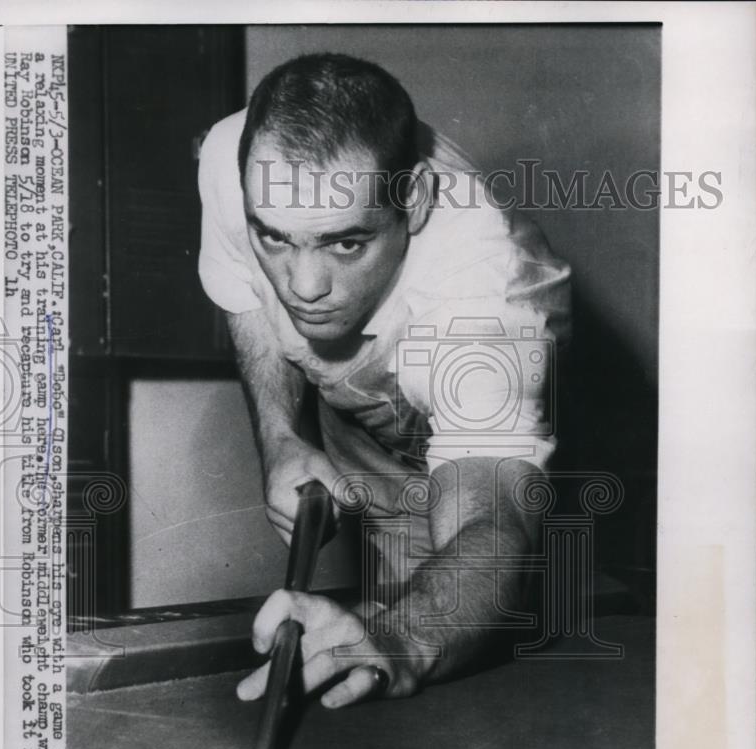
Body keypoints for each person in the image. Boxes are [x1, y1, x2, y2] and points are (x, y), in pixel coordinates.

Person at [198, 52, 571, 709]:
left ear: (416, 201)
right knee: (387, 596)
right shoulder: (236, 164)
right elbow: (248, 299)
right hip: (355, 403)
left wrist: (402, 640)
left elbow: (490, 515)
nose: (302, 287)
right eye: (276, 239)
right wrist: (282, 437)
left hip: (462, 379)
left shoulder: (482, 297)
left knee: (455, 611)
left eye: (345, 243)